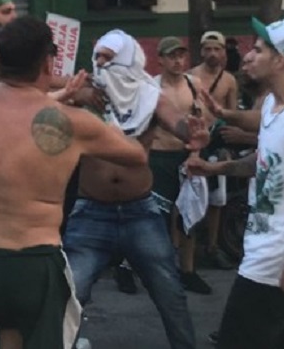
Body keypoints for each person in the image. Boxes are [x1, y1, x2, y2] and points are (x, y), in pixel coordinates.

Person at [0, 18, 149, 349]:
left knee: (11, 327)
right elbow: (136, 155)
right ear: (47, 62)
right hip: (29, 260)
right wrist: (103, 118)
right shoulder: (72, 122)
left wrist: (54, 97)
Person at [190, 17, 284, 349]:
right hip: (265, 249)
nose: (249, 56)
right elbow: (264, 163)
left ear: (281, 59)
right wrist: (216, 168)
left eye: (258, 49)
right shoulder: (273, 105)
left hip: (276, 259)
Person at [64, 29, 210, 349]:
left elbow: (177, 121)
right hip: (91, 212)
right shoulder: (82, 94)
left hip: (140, 212)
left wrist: (193, 133)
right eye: (98, 55)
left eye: (109, 57)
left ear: (129, 59)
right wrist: (76, 95)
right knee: (70, 296)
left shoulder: (149, 95)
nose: (101, 63)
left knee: (170, 293)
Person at [149, 36, 211, 294]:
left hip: (187, 157)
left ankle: (187, 270)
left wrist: (196, 154)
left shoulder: (193, 84)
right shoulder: (151, 87)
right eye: (171, 56)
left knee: (189, 215)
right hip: (159, 156)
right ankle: (157, 272)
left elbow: (203, 122)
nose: (177, 60)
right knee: (157, 218)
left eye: (181, 55)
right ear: (160, 59)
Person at [190, 31, 239, 269]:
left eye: (216, 49)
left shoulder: (229, 80)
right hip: (193, 142)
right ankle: (188, 248)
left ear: (223, 52)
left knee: (217, 199)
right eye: (207, 49)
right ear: (201, 51)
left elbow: (232, 116)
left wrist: (227, 146)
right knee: (190, 195)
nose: (212, 53)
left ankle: (212, 246)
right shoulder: (190, 77)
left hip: (217, 142)